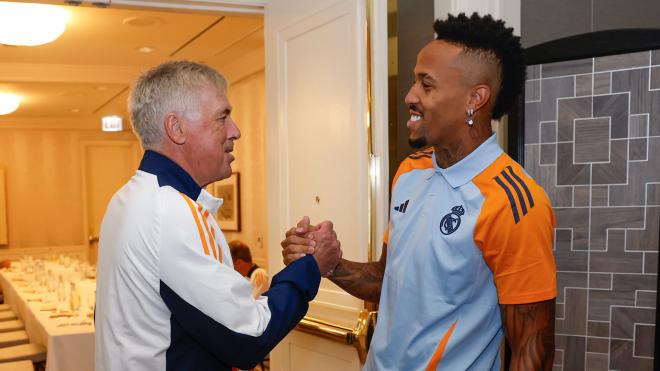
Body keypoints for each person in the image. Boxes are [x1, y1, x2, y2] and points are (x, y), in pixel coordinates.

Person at [282, 13, 556, 370]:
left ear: (475, 98)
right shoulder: (411, 171)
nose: (410, 95)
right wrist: (326, 262)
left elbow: (530, 350)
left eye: (426, 85)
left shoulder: (515, 201)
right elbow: (386, 281)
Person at [95, 61, 341, 371]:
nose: (235, 131)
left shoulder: (127, 199)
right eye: (222, 117)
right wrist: (310, 267)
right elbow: (250, 335)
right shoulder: (170, 210)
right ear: (176, 128)